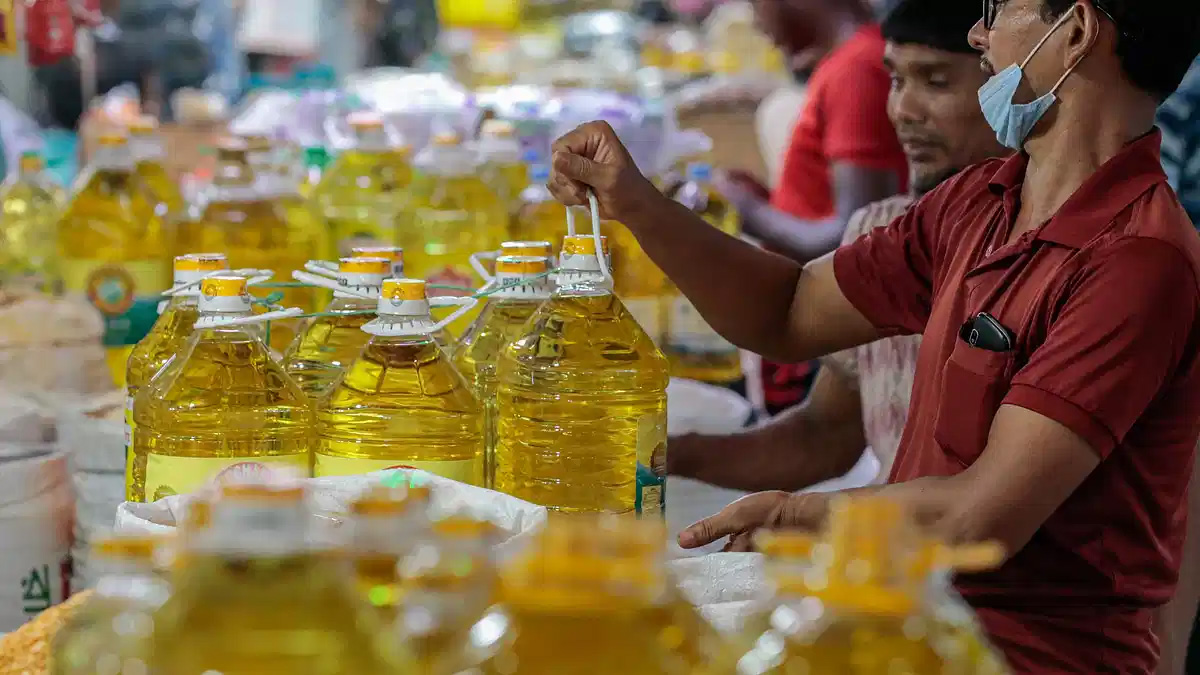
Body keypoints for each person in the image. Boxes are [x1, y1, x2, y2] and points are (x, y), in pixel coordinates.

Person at [546, 1, 1200, 672]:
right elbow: (790, 310)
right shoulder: (979, 202)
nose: (978, 32)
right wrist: (636, 204)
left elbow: (978, 519)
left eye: (998, 7)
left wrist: (800, 514)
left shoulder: (1136, 261)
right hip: (912, 615)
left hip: (1020, 656)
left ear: (1078, 32)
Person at [667, 0, 1007, 492]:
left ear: (1012, 89)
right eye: (897, 81)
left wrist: (674, 208)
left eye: (935, 82)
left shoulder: (1048, 255)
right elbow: (823, 435)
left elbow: (986, 505)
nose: (904, 112)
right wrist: (671, 456)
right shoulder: (886, 230)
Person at [727, 0, 909, 415]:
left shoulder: (857, 70)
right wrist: (768, 203)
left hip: (820, 331)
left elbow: (857, 237)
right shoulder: (848, 60)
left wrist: (748, 211)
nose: (755, 21)